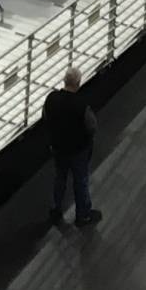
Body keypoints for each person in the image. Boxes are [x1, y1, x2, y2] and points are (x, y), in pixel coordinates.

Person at [42, 66, 99, 227]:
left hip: (58, 147)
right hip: (78, 150)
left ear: (64, 81)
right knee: (80, 181)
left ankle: (55, 209)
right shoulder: (81, 104)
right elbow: (92, 126)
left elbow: (45, 117)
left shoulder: (51, 99)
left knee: (60, 177)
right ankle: (83, 215)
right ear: (78, 83)